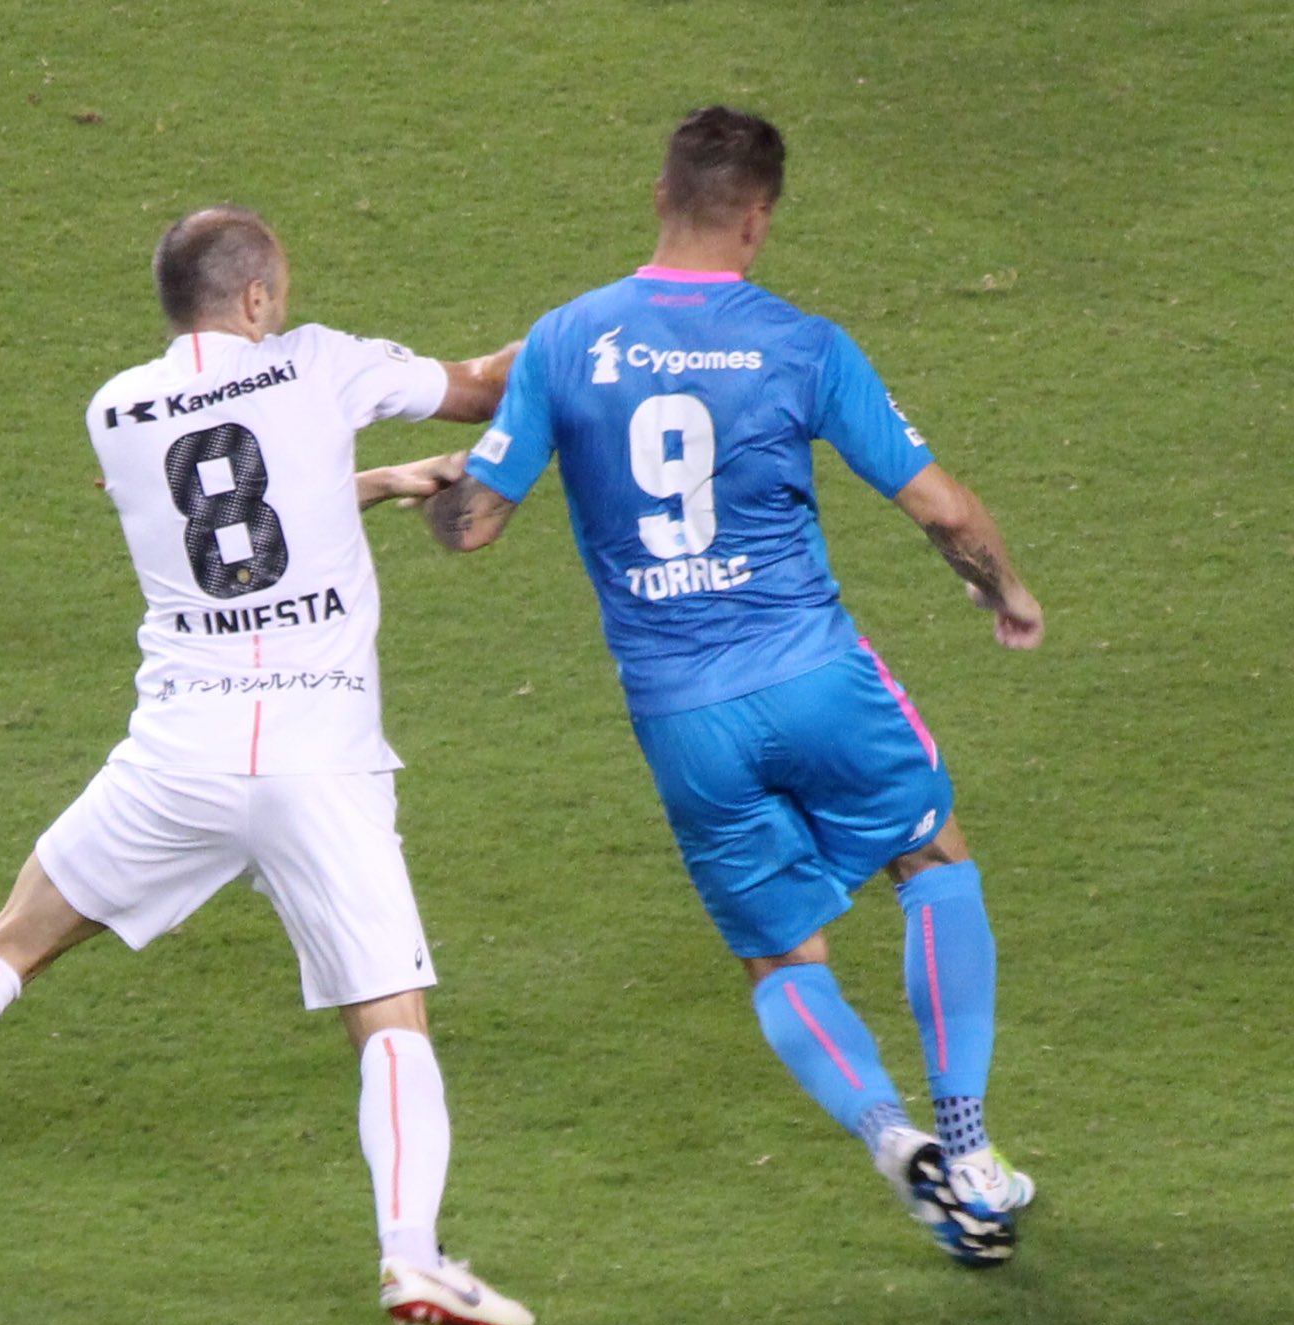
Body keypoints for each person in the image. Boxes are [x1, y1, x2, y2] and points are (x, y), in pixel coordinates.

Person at [0, 205, 534, 1325]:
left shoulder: (115, 410)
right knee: (388, 1013)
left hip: (179, 757)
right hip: (319, 756)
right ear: (255, 299)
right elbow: (484, 386)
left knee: (10, 943)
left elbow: (227, 505)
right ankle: (411, 1256)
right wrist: (591, 336)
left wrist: (372, 479)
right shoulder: (322, 365)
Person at [420, 108, 1043, 1266]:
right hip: (814, 676)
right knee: (931, 859)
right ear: (756, 221)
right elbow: (943, 509)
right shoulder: (801, 344)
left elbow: (471, 527)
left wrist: (435, 479)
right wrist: (1001, 590)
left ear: (659, 195)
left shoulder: (564, 340)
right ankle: (966, 1148)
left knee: (778, 955)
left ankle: (889, 1135)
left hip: (681, 717)